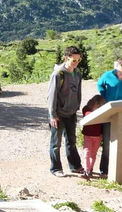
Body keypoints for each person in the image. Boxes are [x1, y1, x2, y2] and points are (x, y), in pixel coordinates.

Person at [45, 46, 84, 178]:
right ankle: (56, 168)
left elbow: (78, 91)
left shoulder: (77, 73)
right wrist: (53, 115)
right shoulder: (58, 74)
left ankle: (75, 166)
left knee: (71, 141)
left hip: (71, 113)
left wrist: (77, 107)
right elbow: (51, 96)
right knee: (56, 143)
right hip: (58, 115)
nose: (76, 63)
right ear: (67, 58)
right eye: (74, 60)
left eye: (79, 60)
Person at [80, 94, 106, 180]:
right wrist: (97, 113)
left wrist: (102, 134)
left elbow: (102, 125)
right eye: (97, 105)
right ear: (93, 103)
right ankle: (86, 170)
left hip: (97, 137)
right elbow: (87, 115)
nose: (98, 107)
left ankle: (90, 169)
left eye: (100, 106)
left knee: (93, 154)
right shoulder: (86, 109)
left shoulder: (101, 113)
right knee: (86, 153)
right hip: (88, 136)